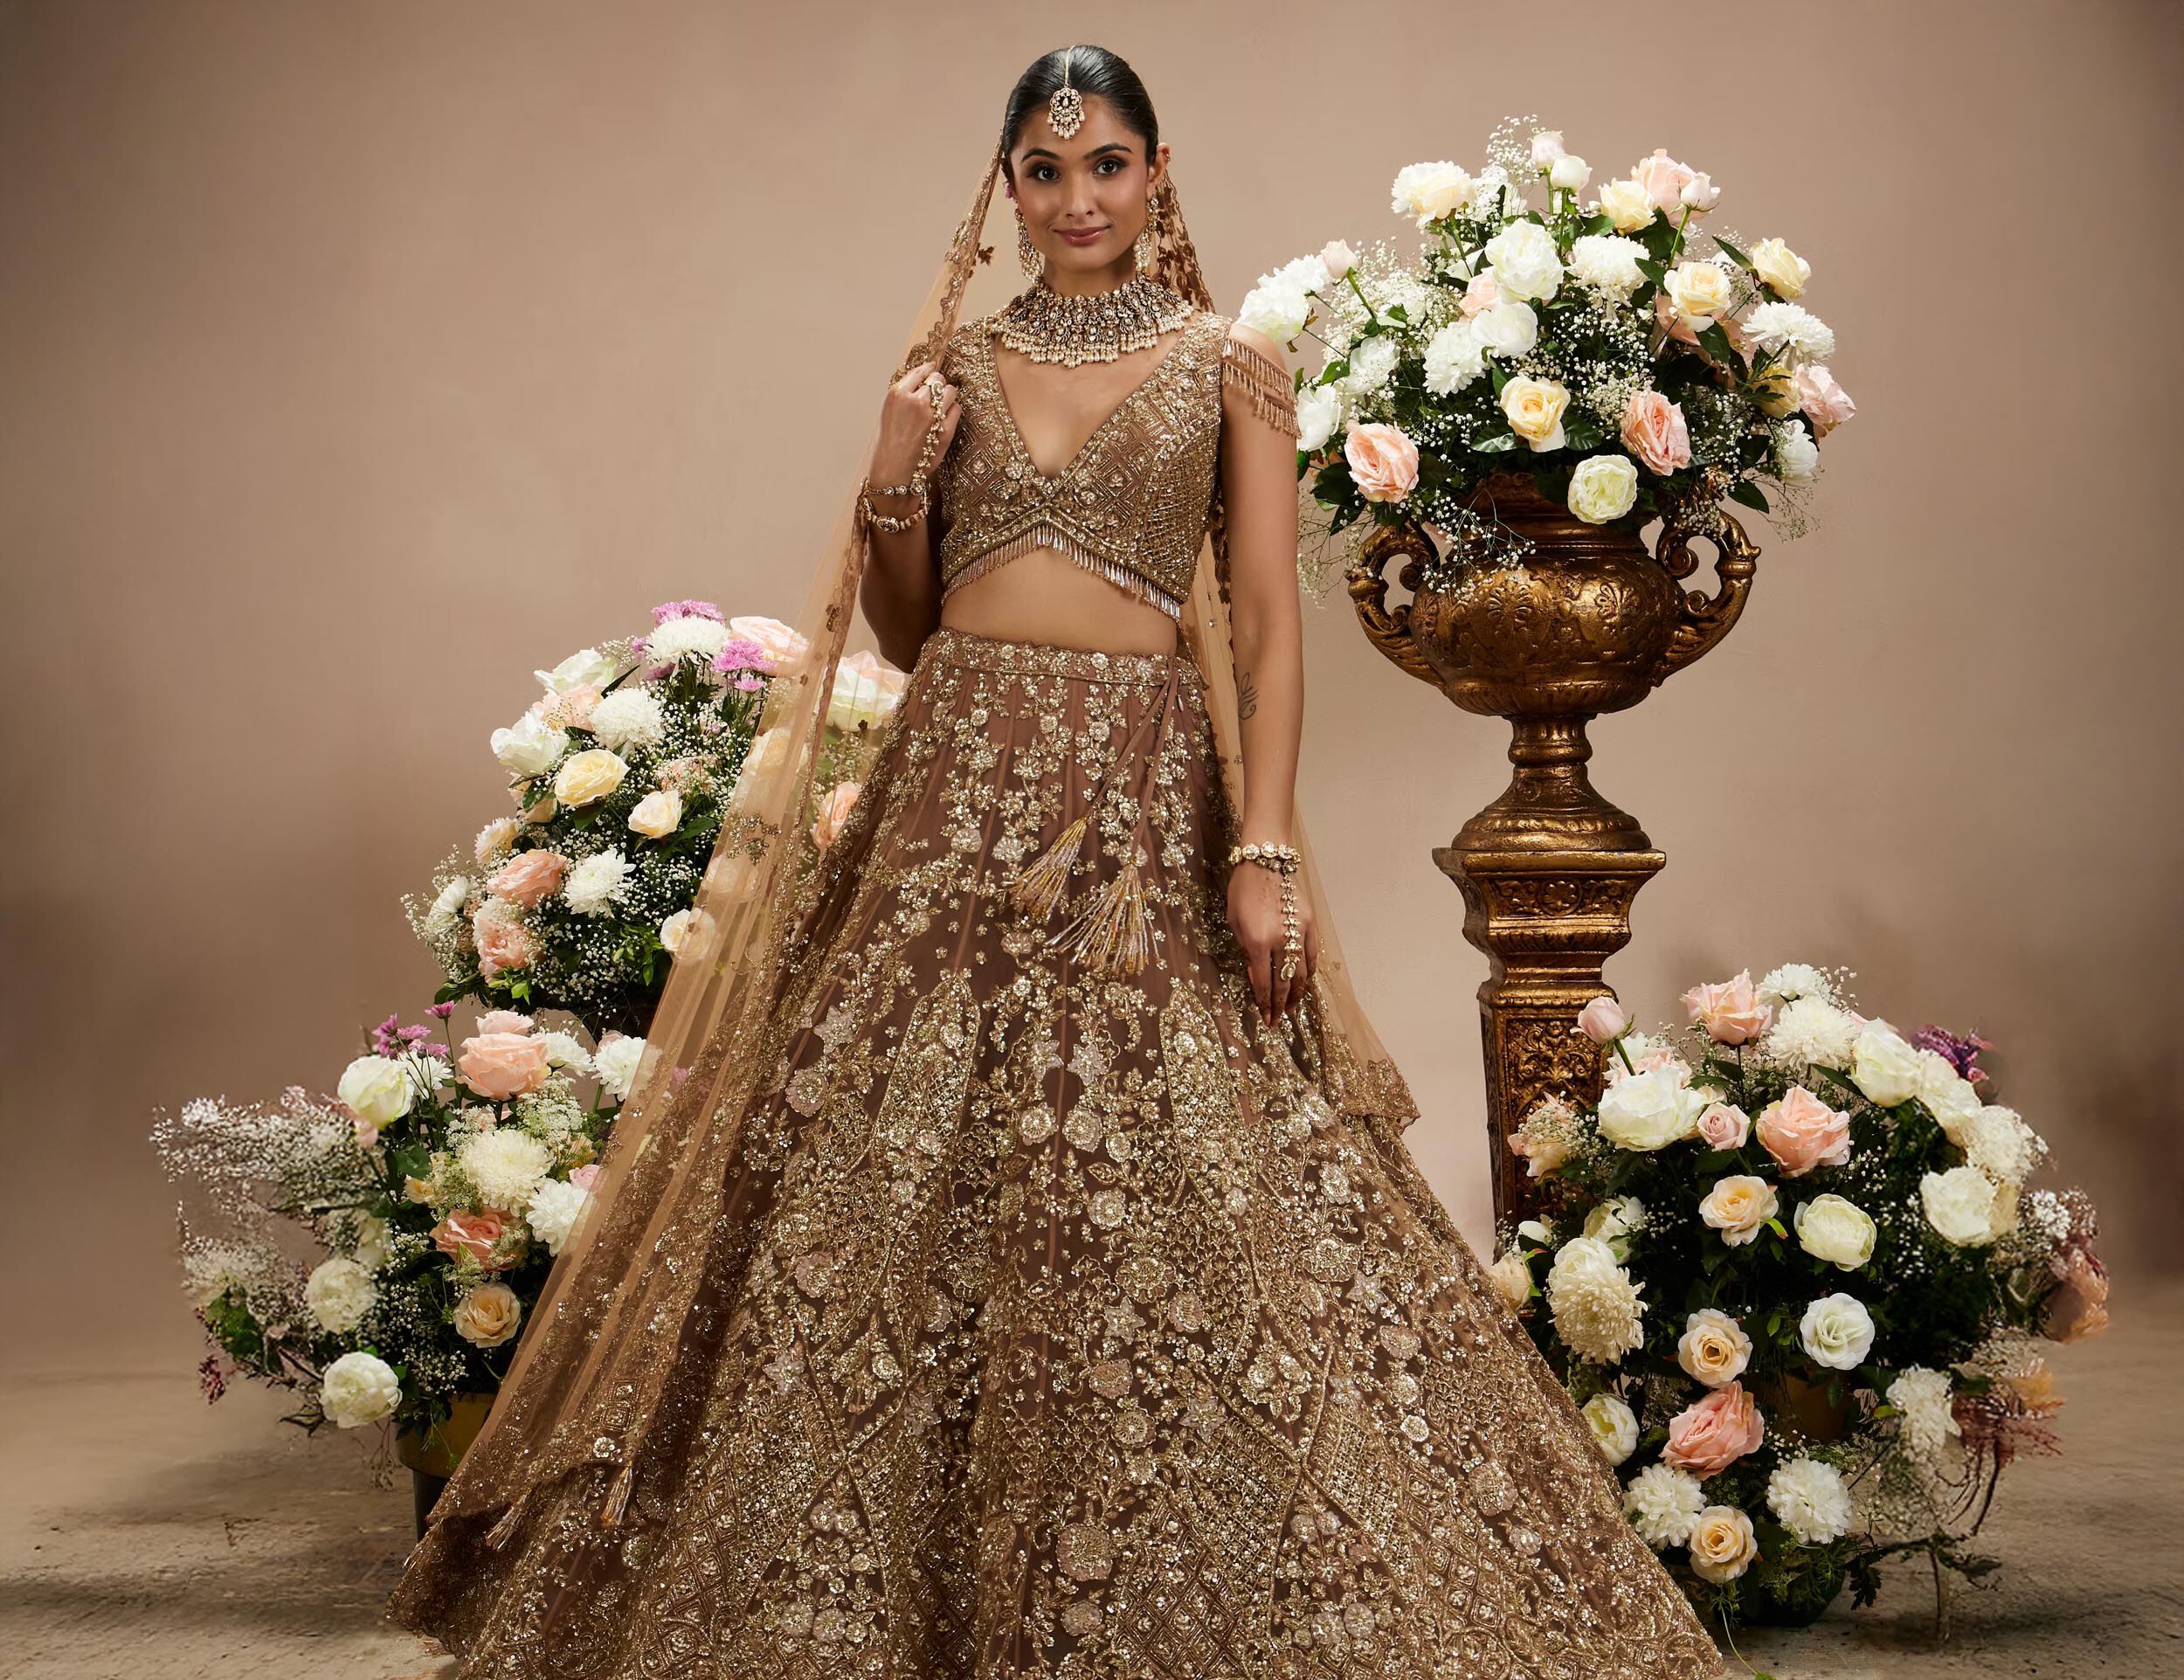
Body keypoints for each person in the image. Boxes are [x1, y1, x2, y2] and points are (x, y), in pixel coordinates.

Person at [386, 45, 1726, 1680]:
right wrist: (892, 465)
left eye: (1106, 167)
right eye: (1044, 168)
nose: (1076, 199)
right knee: (886, 1158)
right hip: (954, 792)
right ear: (1005, 187)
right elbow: (900, 615)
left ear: (1160, 175)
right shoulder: (947, 363)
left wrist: (1265, 843)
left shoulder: (1230, 367)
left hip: (1143, 794)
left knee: (1181, 1164)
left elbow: (1263, 627)